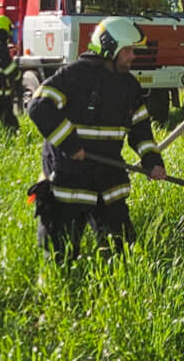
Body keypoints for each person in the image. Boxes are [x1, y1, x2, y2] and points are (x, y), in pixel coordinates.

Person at [25, 16, 166, 260]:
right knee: (60, 257)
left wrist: (153, 161)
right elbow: (38, 106)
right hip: (69, 180)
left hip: (108, 181)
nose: (133, 56)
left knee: (122, 255)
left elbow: (141, 130)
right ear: (110, 48)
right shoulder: (74, 76)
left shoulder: (129, 86)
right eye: (128, 50)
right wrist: (71, 145)